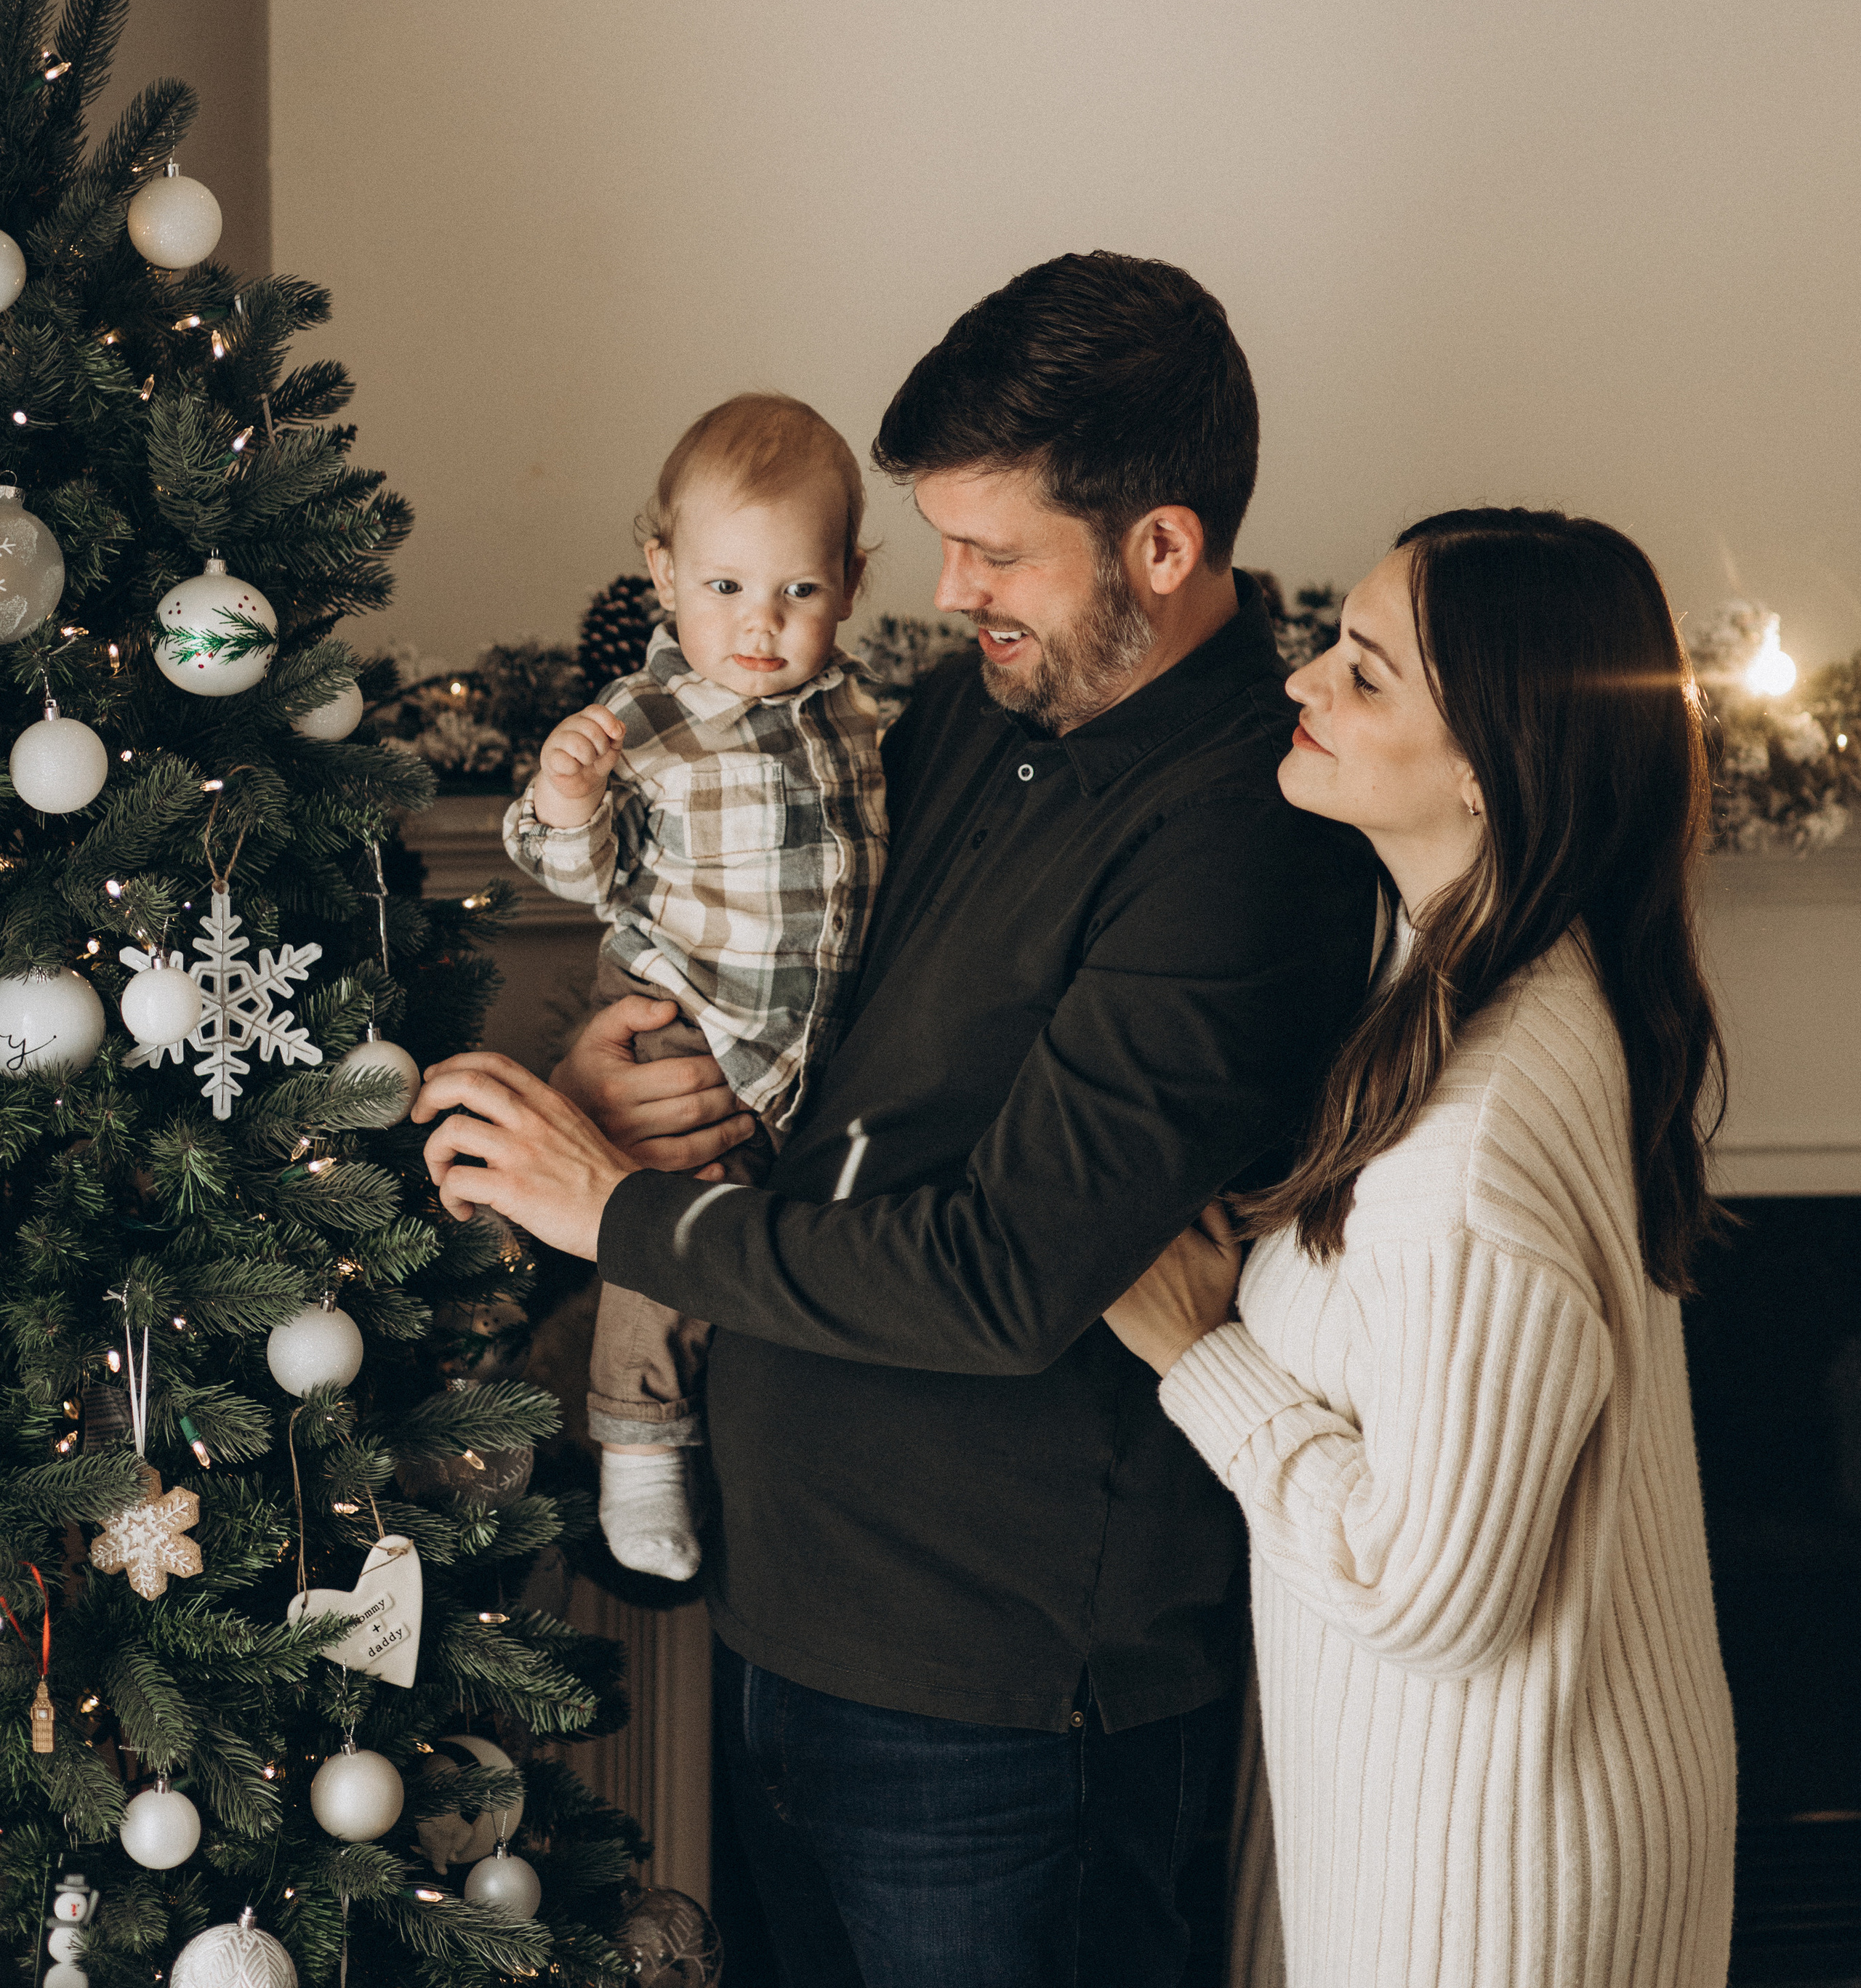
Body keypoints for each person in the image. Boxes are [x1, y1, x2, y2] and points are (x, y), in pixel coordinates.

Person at [414, 251, 1378, 1988]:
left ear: (1160, 546)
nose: (944, 588)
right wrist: (616, 1091)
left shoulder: (1243, 835)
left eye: (998, 551)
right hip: (795, 1622)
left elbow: (1005, 1273)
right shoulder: (962, 713)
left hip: (1007, 1706)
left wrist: (609, 1214)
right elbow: (786, 1016)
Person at [1103, 507, 1737, 1988]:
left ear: (1486, 761)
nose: (1303, 684)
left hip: (1495, 1880)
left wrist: (1201, 1355)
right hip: (1486, 1820)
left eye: (1365, 675)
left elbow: (1430, 1593)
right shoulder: (1479, 978)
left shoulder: (1476, 1130)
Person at [503, 392, 888, 1580]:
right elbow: (571, 865)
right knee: (669, 1217)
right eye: (724, 588)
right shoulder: (644, 720)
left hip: (800, 1034)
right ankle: (639, 1444)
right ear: (663, 574)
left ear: (850, 584)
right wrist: (567, 798)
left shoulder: (858, 710)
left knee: (759, 1243)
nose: (761, 626)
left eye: (798, 593)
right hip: (679, 1014)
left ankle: (726, 1442)